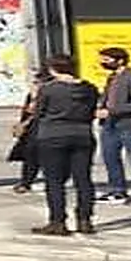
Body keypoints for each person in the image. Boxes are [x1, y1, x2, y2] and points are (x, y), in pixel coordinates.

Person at [30, 54, 100, 237]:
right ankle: (85, 219)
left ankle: (57, 221)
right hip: (83, 134)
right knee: (83, 179)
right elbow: (92, 112)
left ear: (53, 69)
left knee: (54, 181)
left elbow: (38, 113)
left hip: (53, 135)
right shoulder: (90, 88)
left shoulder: (49, 89)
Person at [97, 47, 131, 204]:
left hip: (128, 124)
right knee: (110, 156)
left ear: (120, 61)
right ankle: (117, 189)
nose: (103, 63)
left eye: (107, 60)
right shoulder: (112, 78)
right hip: (109, 124)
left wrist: (112, 110)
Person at [8, 69, 50, 194]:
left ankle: (51, 182)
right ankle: (26, 182)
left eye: (39, 82)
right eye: (35, 82)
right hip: (32, 128)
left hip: (48, 127)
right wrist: (21, 124)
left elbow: (37, 111)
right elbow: (27, 112)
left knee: (48, 157)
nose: (36, 85)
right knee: (30, 155)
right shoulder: (32, 95)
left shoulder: (50, 94)